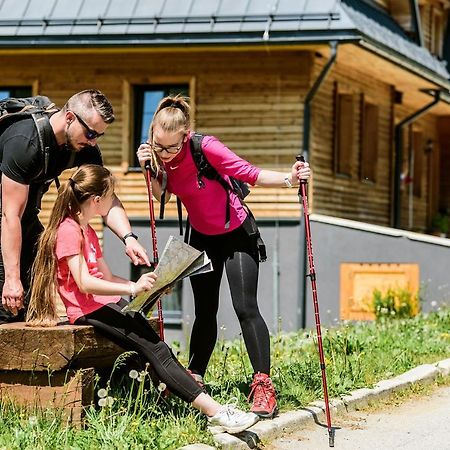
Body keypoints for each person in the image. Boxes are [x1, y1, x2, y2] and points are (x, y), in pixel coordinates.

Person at [25, 164, 259, 434]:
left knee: (158, 348)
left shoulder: (86, 229)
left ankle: (196, 407)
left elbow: (107, 276)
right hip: (88, 309)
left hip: (103, 303)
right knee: (156, 349)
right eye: (111, 195)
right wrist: (132, 290)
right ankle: (216, 413)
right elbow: (84, 283)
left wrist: (144, 286)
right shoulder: (68, 230)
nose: (113, 201)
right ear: (97, 199)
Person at [136, 95, 311, 419]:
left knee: (245, 307)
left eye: (171, 148)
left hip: (236, 234)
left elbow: (249, 173)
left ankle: (262, 386)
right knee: (204, 312)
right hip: (201, 238)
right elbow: (163, 191)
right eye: (158, 146)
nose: (165, 153)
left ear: (185, 136)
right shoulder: (158, 157)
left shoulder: (206, 148)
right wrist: (150, 166)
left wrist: (290, 178)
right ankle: (195, 379)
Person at [0, 89, 149, 324]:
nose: (93, 142)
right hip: (7, 219)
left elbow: (106, 196)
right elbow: (10, 216)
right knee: (9, 299)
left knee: (35, 283)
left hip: (23, 216)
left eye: (98, 136)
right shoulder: (25, 143)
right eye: (90, 133)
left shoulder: (83, 146)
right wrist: (11, 278)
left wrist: (128, 237)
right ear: (69, 117)